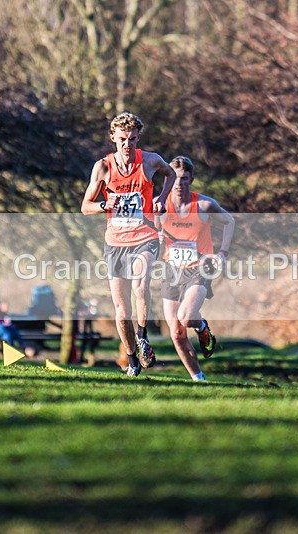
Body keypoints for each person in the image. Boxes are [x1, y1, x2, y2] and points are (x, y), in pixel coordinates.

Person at [80, 112, 176, 377]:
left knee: (140, 284)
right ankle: (132, 359)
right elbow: (84, 207)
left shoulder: (151, 161)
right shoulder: (103, 167)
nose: (127, 144)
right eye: (122, 139)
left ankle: (143, 338)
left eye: (132, 139)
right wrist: (103, 204)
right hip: (115, 242)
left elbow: (171, 175)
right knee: (121, 309)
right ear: (113, 138)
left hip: (144, 236)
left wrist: (161, 198)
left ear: (138, 138)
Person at [158, 156, 234, 381]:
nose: (179, 184)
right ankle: (198, 379)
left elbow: (229, 221)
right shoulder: (159, 205)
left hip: (198, 269)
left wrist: (222, 252)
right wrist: (157, 239)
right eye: (175, 179)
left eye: (184, 179)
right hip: (171, 271)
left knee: (187, 316)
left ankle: (202, 327)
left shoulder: (204, 205)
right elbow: (150, 237)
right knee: (176, 333)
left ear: (191, 180)